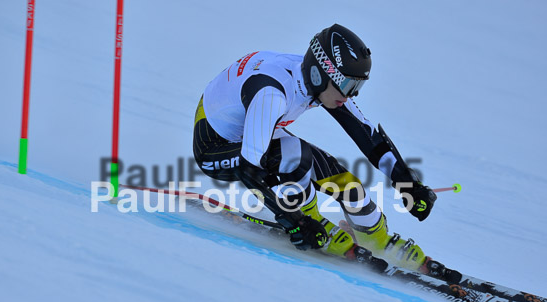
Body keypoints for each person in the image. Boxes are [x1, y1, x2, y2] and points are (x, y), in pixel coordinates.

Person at [192, 23, 457, 281]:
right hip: (215, 147)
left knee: (347, 184)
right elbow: (249, 170)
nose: (351, 96)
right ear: (322, 73)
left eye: (358, 87)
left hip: (254, 130)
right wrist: (295, 222)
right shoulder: (272, 94)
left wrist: (408, 183)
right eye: (349, 86)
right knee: (295, 156)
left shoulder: (319, 81)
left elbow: (369, 139)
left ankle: (376, 238)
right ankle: (312, 220)